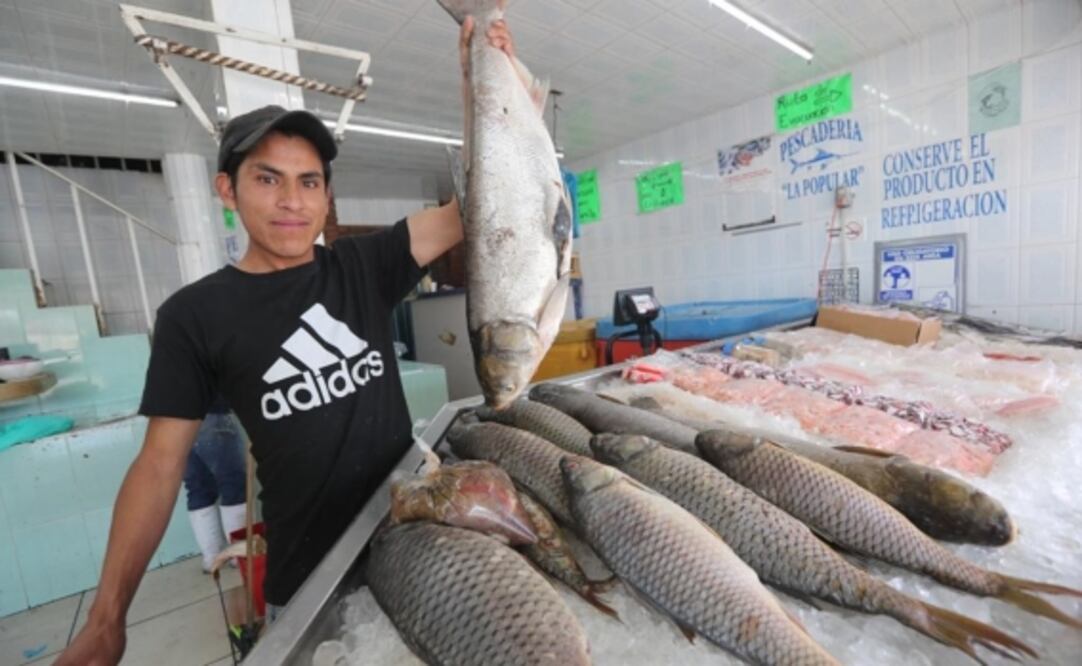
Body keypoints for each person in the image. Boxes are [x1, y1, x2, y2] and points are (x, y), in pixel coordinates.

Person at [58, 16, 515, 666]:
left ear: (327, 196)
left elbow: (478, 204)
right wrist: (108, 617)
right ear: (227, 190)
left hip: (415, 535)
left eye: (309, 182)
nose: (291, 201)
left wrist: (480, 78)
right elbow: (159, 467)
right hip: (311, 577)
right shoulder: (194, 314)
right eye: (268, 178)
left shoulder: (364, 265)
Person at [183, 400, 247, 573]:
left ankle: (211, 558)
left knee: (198, 488)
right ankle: (238, 555)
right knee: (234, 485)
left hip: (178, 423)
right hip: (213, 414)